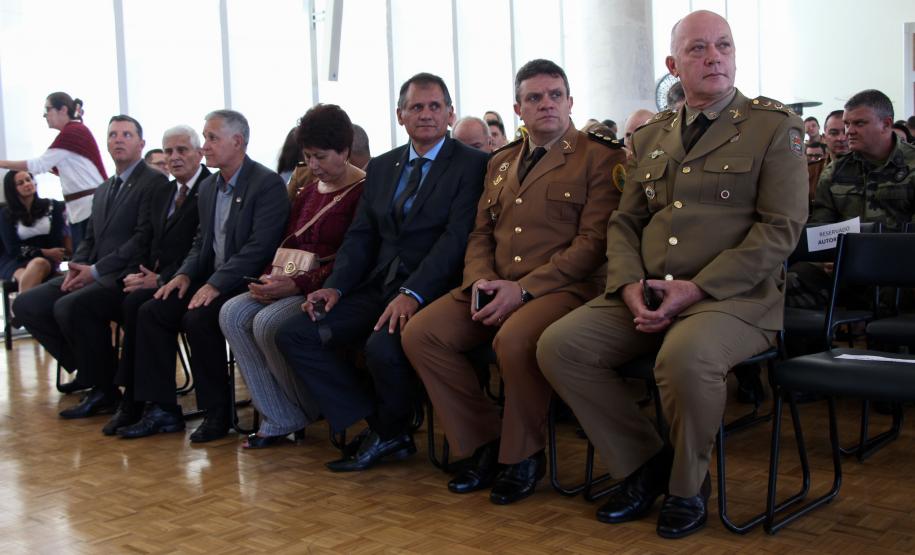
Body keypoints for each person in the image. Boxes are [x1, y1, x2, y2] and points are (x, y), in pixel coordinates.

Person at [536, 10, 807, 539]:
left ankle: (686, 487)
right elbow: (626, 221)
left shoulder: (773, 127)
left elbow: (781, 229)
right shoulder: (653, 135)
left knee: (684, 357)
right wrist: (628, 283)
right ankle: (644, 464)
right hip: (651, 289)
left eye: (723, 46)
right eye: (698, 49)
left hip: (734, 297)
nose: (714, 57)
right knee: (560, 346)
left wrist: (698, 287)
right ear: (673, 65)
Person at [402, 59, 627, 505]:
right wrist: (480, 279)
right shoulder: (502, 162)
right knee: (422, 334)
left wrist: (522, 290)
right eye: (534, 98)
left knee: (514, 339)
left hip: (564, 288)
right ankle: (483, 442)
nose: (546, 104)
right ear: (518, 109)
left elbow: (593, 245)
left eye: (555, 95)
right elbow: (480, 233)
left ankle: (523, 455)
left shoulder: (600, 157)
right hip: (498, 282)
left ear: (570, 102)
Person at [276, 73, 487, 472]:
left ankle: (389, 429)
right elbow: (361, 235)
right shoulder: (384, 166)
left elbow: (456, 239)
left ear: (450, 113)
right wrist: (336, 287)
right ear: (400, 115)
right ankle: (383, 426)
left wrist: (413, 293)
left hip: (435, 288)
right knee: (297, 334)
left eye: (435, 106)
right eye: (416, 107)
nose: (426, 114)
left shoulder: (473, 164)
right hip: (377, 284)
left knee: (381, 346)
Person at [124, 110, 289, 443]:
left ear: (237, 141)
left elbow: (259, 248)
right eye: (205, 138)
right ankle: (163, 410)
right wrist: (184, 275)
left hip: (247, 282)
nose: (205, 146)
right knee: (152, 309)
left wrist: (215, 283)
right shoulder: (210, 186)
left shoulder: (266, 183)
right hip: (212, 279)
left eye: (212, 138)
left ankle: (217, 413)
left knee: (198, 318)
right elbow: (201, 242)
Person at [217, 104, 365, 448]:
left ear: (344, 151)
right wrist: (269, 279)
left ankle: (306, 406)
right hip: (290, 280)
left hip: (327, 286)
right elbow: (288, 242)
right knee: (232, 312)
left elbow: (353, 257)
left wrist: (295, 285)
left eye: (321, 157)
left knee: (267, 322)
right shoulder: (308, 190)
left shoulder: (363, 190)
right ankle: (280, 413)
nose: (313, 166)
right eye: (308, 157)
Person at [13, 115, 169, 405]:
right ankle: (92, 370)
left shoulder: (154, 181)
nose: (118, 139)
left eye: (126, 134)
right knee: (26, 304)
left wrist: (95, 271)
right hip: (92, 271)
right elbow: (89, 238)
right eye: (113, 135)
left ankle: (103, 388)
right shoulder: (104, 188)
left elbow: (143, 239)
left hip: (125, 275)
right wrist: (77, 268)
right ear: (106, 144)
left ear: (141, 143)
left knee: (71, 306)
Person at [101, 125, 211, 436]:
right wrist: (141, 273)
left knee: (149, 309)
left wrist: (162, 278)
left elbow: (202, 246)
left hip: (196, 277)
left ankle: (162, 408)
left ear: (199, 153)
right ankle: (135, 401)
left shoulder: (210, 187)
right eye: (169, 151)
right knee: (132, 301)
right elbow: (148, 239)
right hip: (163, 277)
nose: (174, 157)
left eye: (182, 150)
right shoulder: (164, 191)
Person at [0, 92, 107, 251]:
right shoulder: (74, 131)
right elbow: (48, 165)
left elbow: (40, 164)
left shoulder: (72, 132)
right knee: (84, 258)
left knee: (87, 258)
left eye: (47, 109)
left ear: (63, 109)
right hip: (82, 208)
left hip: (89, 207)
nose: (45, 115)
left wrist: (2, 163)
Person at [811, 89, 915, 232]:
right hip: (849, 246)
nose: (849, 131)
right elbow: (820, 232)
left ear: (886, 124)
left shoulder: (911, 164)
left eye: (859, 123)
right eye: (847, 124)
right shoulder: (835, 171)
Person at [0, 171, 67, 293]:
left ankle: (21, 305)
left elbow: (57, 240)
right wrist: (44, 251)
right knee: (27, 275)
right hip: (14, 259)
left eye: (28, 179)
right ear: (12, 189)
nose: (27, 184)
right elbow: (12, 249)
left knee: (37, 264)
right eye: (20, 183)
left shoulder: (53, 206)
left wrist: (46, 253)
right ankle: (25, 305)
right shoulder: (6, 213)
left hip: (45, 258)